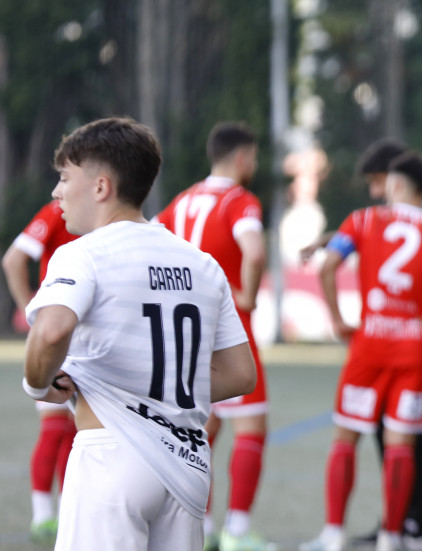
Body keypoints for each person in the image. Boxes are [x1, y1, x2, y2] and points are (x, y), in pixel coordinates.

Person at [22, 116, 256, 550]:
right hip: (186, 464)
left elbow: (51, 332)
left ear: (100, 186)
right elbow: (242, 374)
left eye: (64, 177)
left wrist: (37, 385)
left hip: (111, 456)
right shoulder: (202, 263)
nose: (56, 192)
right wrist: (157, 389)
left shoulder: (83, 254)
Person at [301, 151, 422, 551]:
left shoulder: (364, 220)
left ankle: (333, 534)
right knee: (402, 444)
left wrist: (337, 318)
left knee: (345, 436)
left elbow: (329, 266)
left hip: (369, 345)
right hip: (414, 350)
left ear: (396, 185)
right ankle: (391, 536)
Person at [154, 121, 271, 551]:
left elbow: (152, 237)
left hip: (185, 330)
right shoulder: (240, 201)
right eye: (254, 158)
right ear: (241, 158)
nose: (253, 166)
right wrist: (249, 294)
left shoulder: (183, 199)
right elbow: (255, 252)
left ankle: (196, 527)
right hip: (228, 328)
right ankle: (238, 532)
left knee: (200, 429)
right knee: (253, 428)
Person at [2, 200, 78, 543]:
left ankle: (65, 510)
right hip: (61, 335)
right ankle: (44, 514)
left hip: (86, 337)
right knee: (55, 427)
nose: (56, 189)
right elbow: (13, 258)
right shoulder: (59, 210)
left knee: (77, 433)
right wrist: (32, 315)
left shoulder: (104, 214)